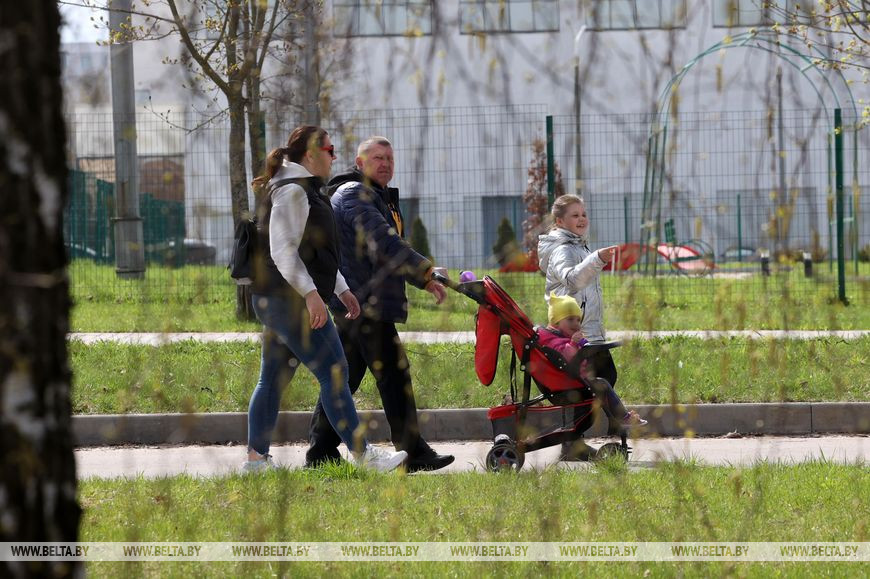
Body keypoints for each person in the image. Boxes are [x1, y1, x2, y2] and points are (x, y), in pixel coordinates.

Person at [244, 125, 407, 473]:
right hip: (289, 300)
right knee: (335, 371)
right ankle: (364, 455)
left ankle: (256, 460)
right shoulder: (293, 191)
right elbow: (284, 252)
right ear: (311, 154)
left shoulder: (304, 187)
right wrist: (312, 295)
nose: (334, 157)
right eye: (330, 150)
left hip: (278, 298)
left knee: (272, 378)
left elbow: (316, 253)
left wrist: (341, 289)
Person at [305, 136, 455, 472]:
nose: (385, 163)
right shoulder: (354, 195)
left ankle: (320, 452)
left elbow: (390, 250)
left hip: (359, 301)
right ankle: (413, 452)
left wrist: (424, 280)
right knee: (394, 375)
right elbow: (385, 244)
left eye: (389, 158)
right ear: (360, 163)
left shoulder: (375, 196)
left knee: (343, 378)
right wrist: (426, 270)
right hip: (362, 302)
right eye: (377, 158)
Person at [537, 194, 624, 459]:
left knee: (605, 376)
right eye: (575, 215)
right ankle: (575, 441)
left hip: (589, 330)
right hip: (573, 334)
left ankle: (595, 433)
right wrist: (597, 258)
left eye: (584, 214)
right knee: (588, 385)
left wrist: (593, 257)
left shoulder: (578, 246)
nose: (582, 219)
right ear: (559, 221)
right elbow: (573, 280)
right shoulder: (562, 250)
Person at [537, 294, 646, 429]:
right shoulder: (554, 341)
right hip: (570, 386)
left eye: (578, 320)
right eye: (570, 319)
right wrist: (573, 344)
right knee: (602, 384)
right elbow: (564, 356)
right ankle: (623, 417)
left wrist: (582, 344)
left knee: (603, 378)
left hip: (574, 381)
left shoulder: (560, 338)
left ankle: (616, 419)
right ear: (556, 322)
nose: (576, 324)